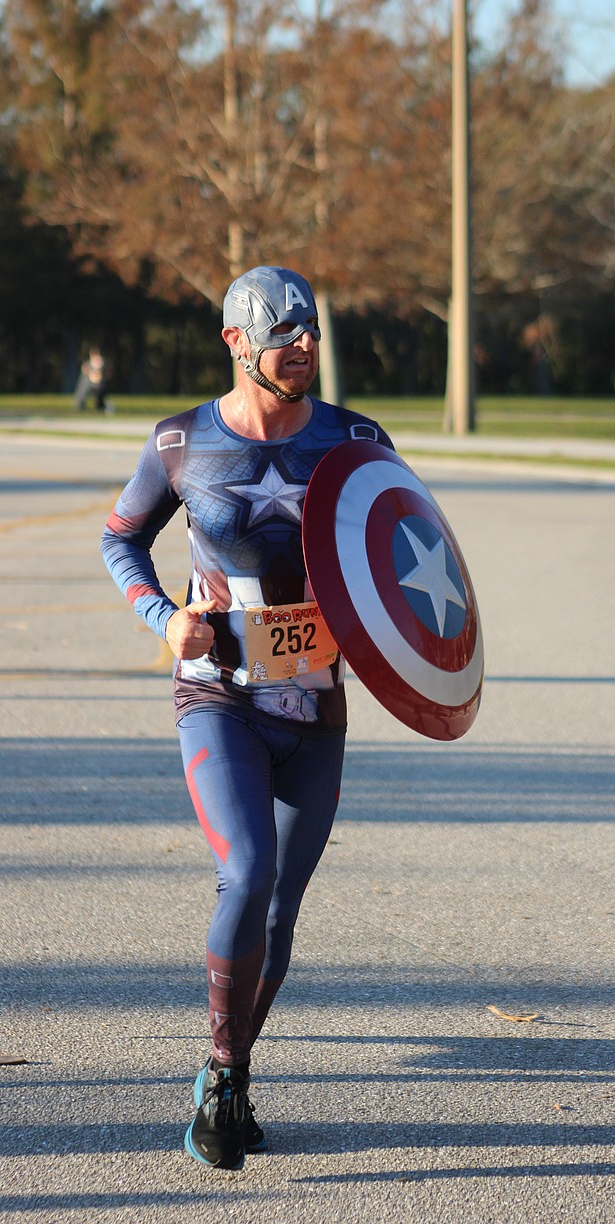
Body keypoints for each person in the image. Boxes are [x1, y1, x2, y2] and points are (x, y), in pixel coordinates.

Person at [101, 265, 393, 1170]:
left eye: (311, 332)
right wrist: (162, 613)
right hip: (215, 690)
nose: (303, 346)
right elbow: (120, 537)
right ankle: (226, 1079)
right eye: (284, 333)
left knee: (282, 912)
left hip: (316, 699)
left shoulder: (355, 439)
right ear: (236, 341)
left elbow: (405, 541)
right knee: (249, 869)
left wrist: (402, 639)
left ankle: (228, 1064)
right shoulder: (181, 440)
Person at [75, 347, 108, 411]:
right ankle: (80, 404)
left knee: (100, 392)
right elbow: (84, 370)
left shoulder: (101, 362)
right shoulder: (88, 363)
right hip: (88, 383)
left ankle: (100, 405)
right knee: (83, 387)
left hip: (98, 385)